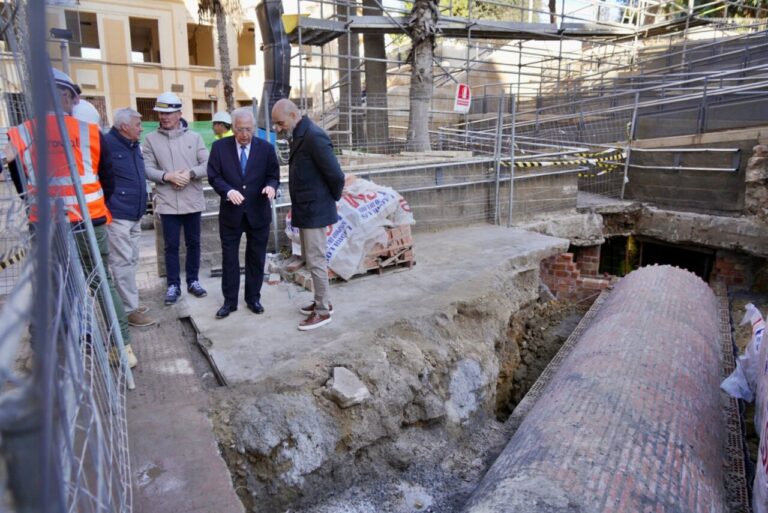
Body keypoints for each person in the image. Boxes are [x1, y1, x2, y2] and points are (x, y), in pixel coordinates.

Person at [5, 69, 137, 367]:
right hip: (88, 220)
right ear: (69, 98)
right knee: (102, 282)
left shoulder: (24, 131)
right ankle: (123, 348)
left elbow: (16, 176)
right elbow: (108, 178)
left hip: (45, 222)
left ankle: (45, 352)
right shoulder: (90, 133)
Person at [271, 99, 345, 331]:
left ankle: (323, 311)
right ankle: (321, 301)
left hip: (315, 210)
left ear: (294, 115)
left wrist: (327, 201)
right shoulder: (299, 134)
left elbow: (336, 176)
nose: (278, 128)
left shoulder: (314, 136)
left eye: (280, 123)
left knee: (316, 261)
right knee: (310, 259)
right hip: (306, 209)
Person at [207, 108, 279, 319]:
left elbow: (273, 175)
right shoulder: (220, 148)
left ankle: (253, 298)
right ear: (233, 128)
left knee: (256, 258)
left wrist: (271, 187)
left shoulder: (265, 148)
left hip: (258, 212)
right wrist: (227, 190)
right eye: (240, 130)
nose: (244, 134)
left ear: (254, 128)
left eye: (248, 129)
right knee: (229, 259)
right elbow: (214, 175)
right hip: (231, 214)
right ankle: (229, 302)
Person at [142, 92, 209, 305]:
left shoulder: (194, 138)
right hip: (168, 201)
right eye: (161, 113)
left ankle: (193, 280)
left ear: (179, 113)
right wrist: (167, 176)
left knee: (194, 243)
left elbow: (208, 164)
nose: (164, 117)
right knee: (170, 246)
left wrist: (190, 174)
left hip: (192, 200)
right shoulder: (151, 140)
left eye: (169, 113)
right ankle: (173, 284)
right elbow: (146, 168)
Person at [103, 108, 156, 327]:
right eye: (137, 124)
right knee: (122, 262)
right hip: (118, 214)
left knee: (132, 259)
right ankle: (128, 310)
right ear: (124, 126)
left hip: (134, 212)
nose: (141, 128)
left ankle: (129, 301)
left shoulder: (133, 146)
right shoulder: (107, 144)